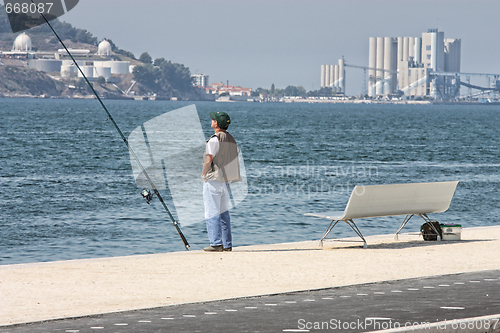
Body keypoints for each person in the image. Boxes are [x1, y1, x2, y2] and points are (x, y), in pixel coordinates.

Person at [202, 111, 241, 252]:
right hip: (226, 181)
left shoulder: (214, 139)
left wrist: (203, 173)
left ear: (216, 124)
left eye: (213, 119)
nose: (211, 121)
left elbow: (209, 159)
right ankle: (227, 244)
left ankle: (216, 243)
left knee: (211, 212)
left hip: (213, 180)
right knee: (224, 213)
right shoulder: (232, 139)